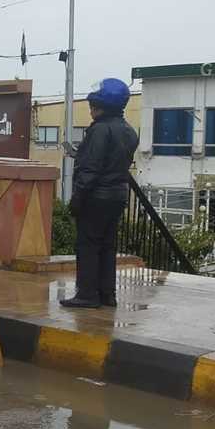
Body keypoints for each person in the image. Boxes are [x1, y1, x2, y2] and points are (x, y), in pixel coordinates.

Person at [61, 78, 140, 309]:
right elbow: (113, 160)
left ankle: (87, 294)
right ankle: (107, 294)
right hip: (118, 195)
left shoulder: (99, 130)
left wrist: (77, 198)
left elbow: (91, 168)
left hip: (96, 196)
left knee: (87, 245)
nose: (91, 109)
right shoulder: (129, 131)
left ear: (102, 105)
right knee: (107, 246)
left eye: (93, 105)